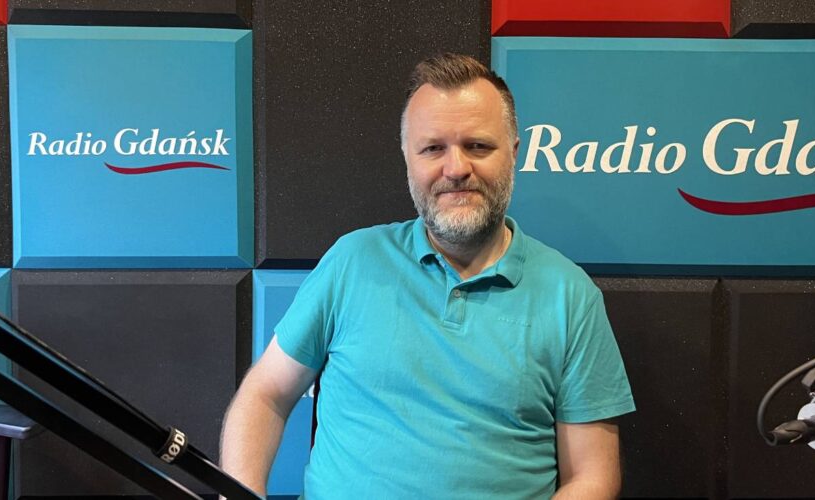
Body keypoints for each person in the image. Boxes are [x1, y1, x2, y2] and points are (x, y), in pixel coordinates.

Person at [220, 53, 634, 499]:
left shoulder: (570, 295)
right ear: (408, 157)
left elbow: (592, 476)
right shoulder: (352, 261)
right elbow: (266, 393)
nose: (456, 169)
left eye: (478, 146)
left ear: (514, 153)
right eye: (433, 148)